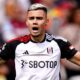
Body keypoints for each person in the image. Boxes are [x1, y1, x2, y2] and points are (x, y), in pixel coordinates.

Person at [0, 3, 80, 80]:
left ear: (47, 22)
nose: (35, 22)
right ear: (27, 22)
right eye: (31, 18)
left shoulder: (59, 43)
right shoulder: (14, 45)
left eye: (39, 18)